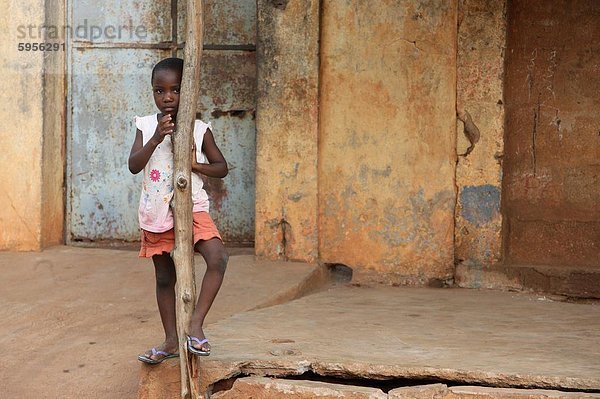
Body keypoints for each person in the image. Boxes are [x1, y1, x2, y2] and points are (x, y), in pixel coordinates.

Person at [128, 57, 229, 364]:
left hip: (193, 208)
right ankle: (171, 340)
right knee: (164, 279)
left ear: (189, 91)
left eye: (175, 90)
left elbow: (221, 168)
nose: (168, 97)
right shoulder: (146, 126)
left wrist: (193, 163)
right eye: (160, 90)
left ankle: (195, 325)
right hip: (157, 213)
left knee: (218, 258)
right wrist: (157, 137)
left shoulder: (199, 130)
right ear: (153, 92)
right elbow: (134, 165)